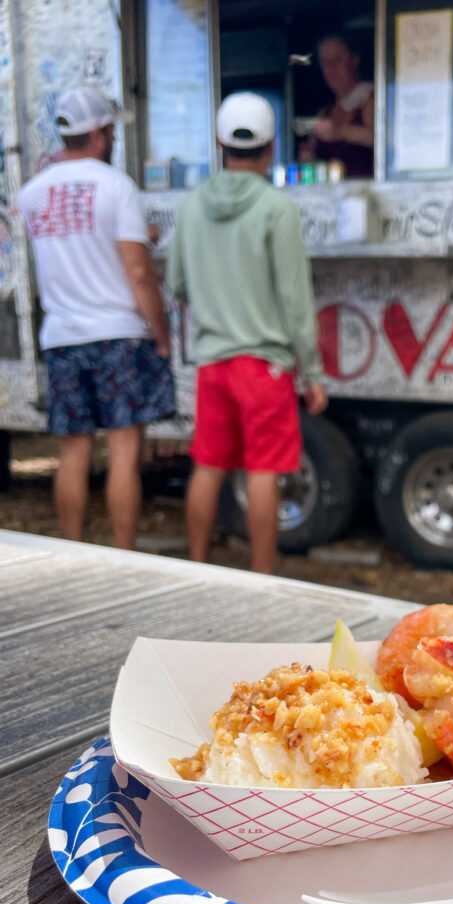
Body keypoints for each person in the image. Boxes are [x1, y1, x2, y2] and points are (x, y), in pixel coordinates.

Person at [166, 91, 327, 575]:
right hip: (264, 367)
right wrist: (312, 370)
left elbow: (175, 283)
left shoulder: (191, 207)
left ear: (221, 144)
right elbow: (294, 299)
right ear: (271, 145)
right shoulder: (277, 208)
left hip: (213, 363)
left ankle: (198, 566)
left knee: (208, 466)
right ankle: (262, 577)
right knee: (263, 471)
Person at [19, 86, 175, 549]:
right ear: (101, 135)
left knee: (72, 451)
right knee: (124, 453)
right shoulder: (116, 186)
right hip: (118, 336)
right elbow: (138, 273)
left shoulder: (31, 194)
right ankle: (124, 555)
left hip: (62, 336)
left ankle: (72, 548)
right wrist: (162, 336)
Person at [303, 31, 374, 178]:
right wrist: (308, 158)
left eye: (337, 60)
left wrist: (341, 131)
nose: (331, 69)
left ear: (354, 60)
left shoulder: (371, 99)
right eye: (325, 63)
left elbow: (380, 139)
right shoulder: (325, 113)